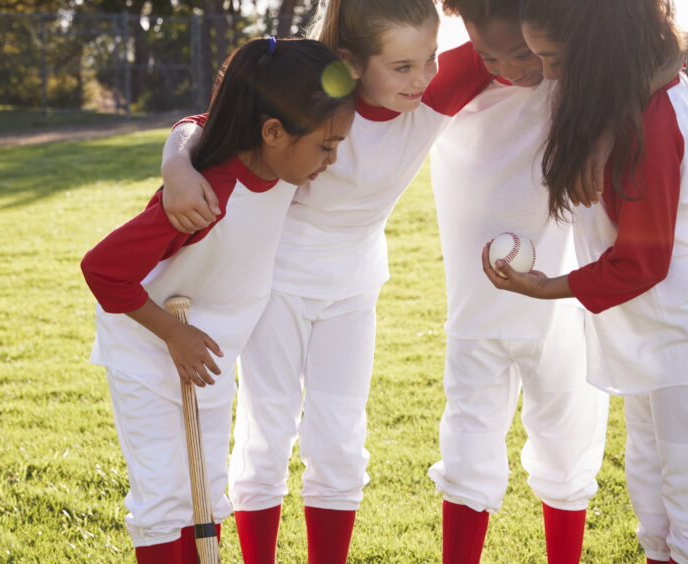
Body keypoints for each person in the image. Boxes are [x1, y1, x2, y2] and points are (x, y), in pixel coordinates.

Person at [159, 1, 498, 561]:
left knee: (340, 439)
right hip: (273, 285)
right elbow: (200, 125)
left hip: (354, 290)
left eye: (431, 58)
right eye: (403, 67)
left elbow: (518, 40)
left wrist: (660, 46)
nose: (424, 77)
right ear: (353, 64)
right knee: (267, 434)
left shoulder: (431, 92)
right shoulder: (310, 95)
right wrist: (177, 167)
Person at [487, 1, 688, 563]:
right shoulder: (627, 96)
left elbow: (644, 262)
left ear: (597, 51)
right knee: (651, 491)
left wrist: (550, 287)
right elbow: (667, 49)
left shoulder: (652, 122)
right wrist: (608, 126)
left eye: (555, 58)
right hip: (652, 339)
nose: (547, 73)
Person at [80, 36, 355, 563]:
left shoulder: (279, 166)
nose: (332, 159)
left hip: (205, 352)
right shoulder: (208, 196)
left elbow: (201, 120)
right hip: (148, 345)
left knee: (204, 492)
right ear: (272, 131)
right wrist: (173, 334)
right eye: (326, 146)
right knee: (163, 497)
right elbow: (103, 270)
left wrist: (175, 153)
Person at [427, 1, 610, 563]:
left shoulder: (578, 70)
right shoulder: (448, 75)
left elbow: (673, 44)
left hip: (562, 308)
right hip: (477, 311)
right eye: (489, 55)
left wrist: (599, 138)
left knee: (568, 448)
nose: (509, 68)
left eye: (523, 52)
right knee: (467, 447)